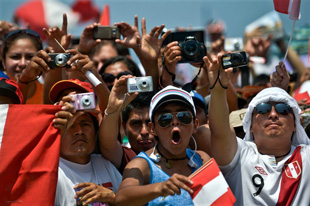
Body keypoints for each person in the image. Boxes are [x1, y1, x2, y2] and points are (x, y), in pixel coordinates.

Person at [204, 52, 310, 205]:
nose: (273, 114)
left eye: (282, 109)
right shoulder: (240, 157)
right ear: (250, 125)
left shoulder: (307, 157)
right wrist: (218, 88)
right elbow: (220, 131)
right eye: (263, 109)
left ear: (296, 124)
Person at [115, 85, 210, 206]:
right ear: (153, 128)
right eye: (165, 118)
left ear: (195, 125)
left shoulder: (202, 160)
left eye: (183, 117)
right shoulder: (143, 165)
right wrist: (159, 188)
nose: (175, 122)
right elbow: (121, 199)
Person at [99, 75, 156, 174]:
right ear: (124, 127)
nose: (144, 131)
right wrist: (113, 109)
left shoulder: (178, 153)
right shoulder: (126, 157)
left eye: (150, 123)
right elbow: (108, 144)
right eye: (136, 124)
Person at [1, 28, 46, 104]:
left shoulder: (50, 96)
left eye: (30, 57)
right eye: (15, 57)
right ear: (3, 62)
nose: (23, 63)